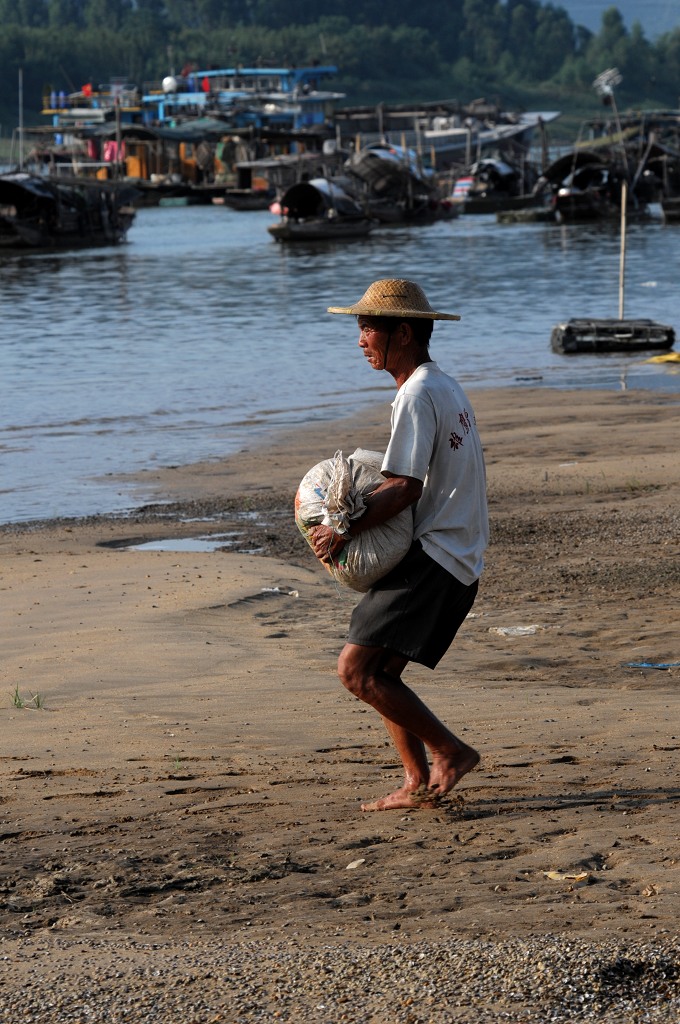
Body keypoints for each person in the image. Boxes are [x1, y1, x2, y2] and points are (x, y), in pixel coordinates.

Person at [309, 279, 489, 812]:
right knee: (381, 675)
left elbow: (405, 486)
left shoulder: (415, 394)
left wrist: (343, 525)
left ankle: (450, 753)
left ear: (403, 333)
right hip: (455, 550)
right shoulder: (443, 385)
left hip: (439, 554)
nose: (360, 340)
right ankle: (415, 781)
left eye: (368, 329)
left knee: (355, 670)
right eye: (360, 328)